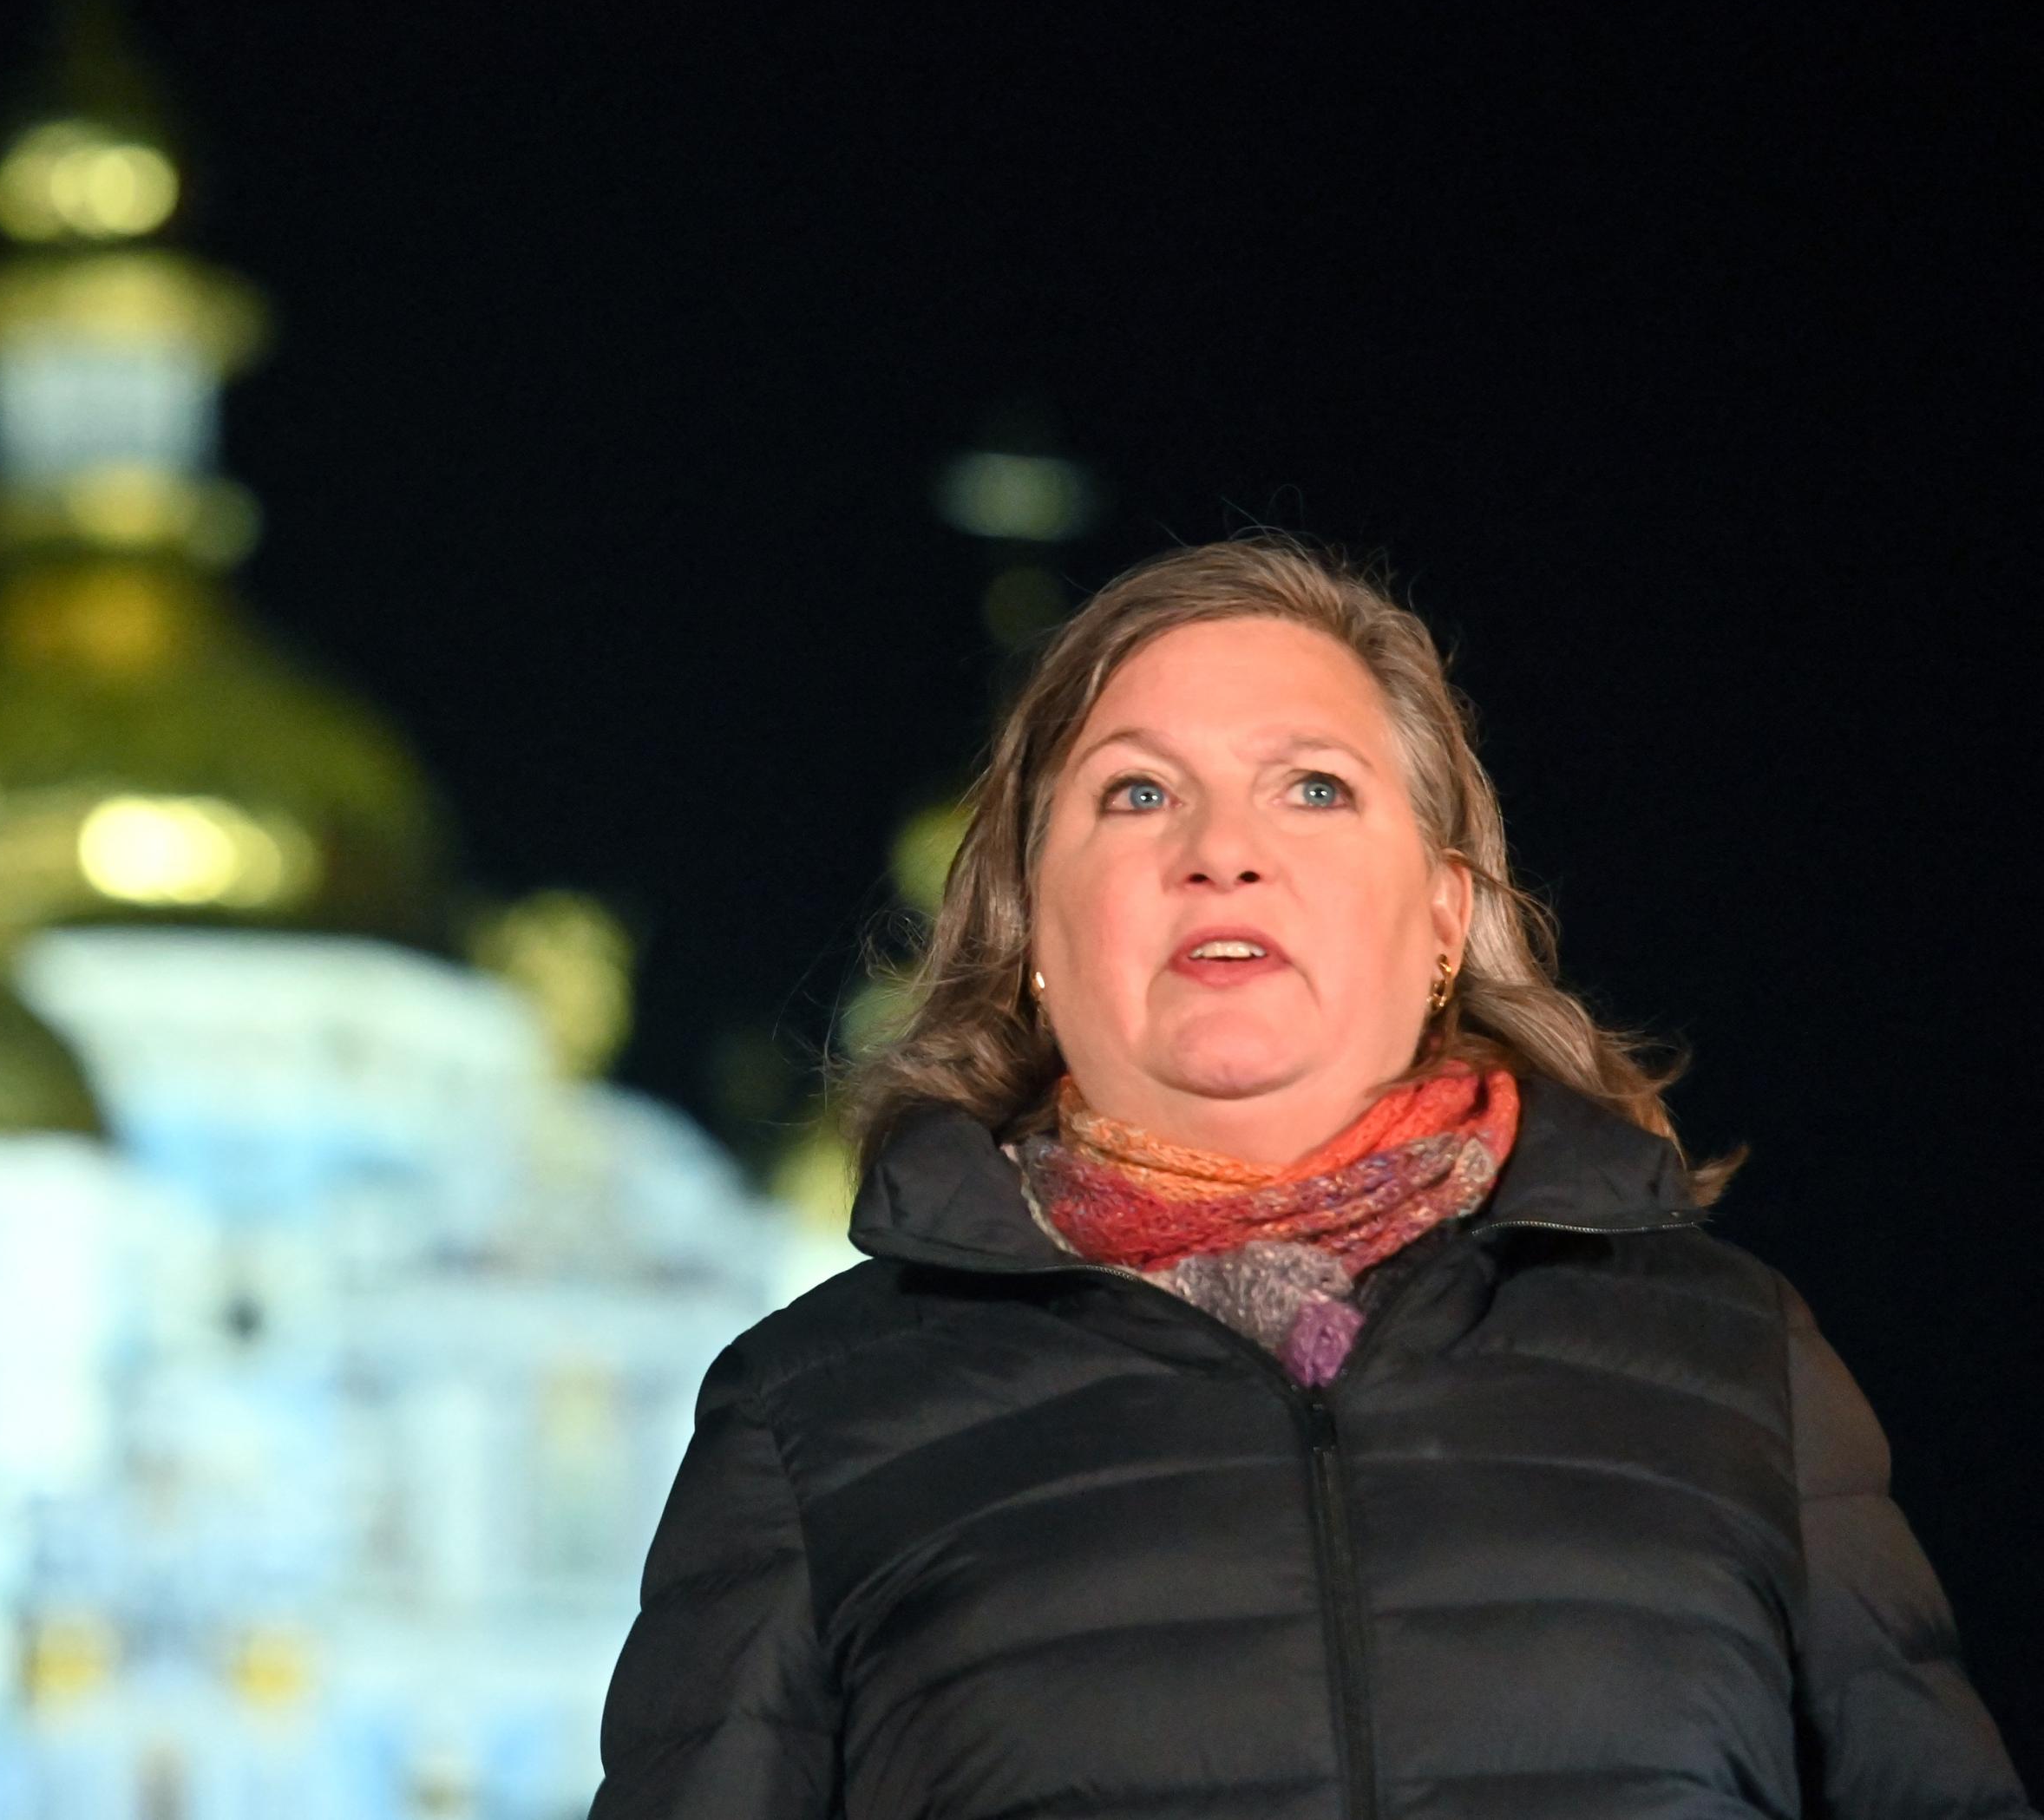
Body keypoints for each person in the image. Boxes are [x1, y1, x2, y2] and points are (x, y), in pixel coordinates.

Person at [591, 535, 2028, 1818]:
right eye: (1140, 793)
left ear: (1445, 918)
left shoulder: (1732, 1362)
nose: (1224, 853)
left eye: (1316, 788)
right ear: (1033, 926)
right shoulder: (815, 1419)